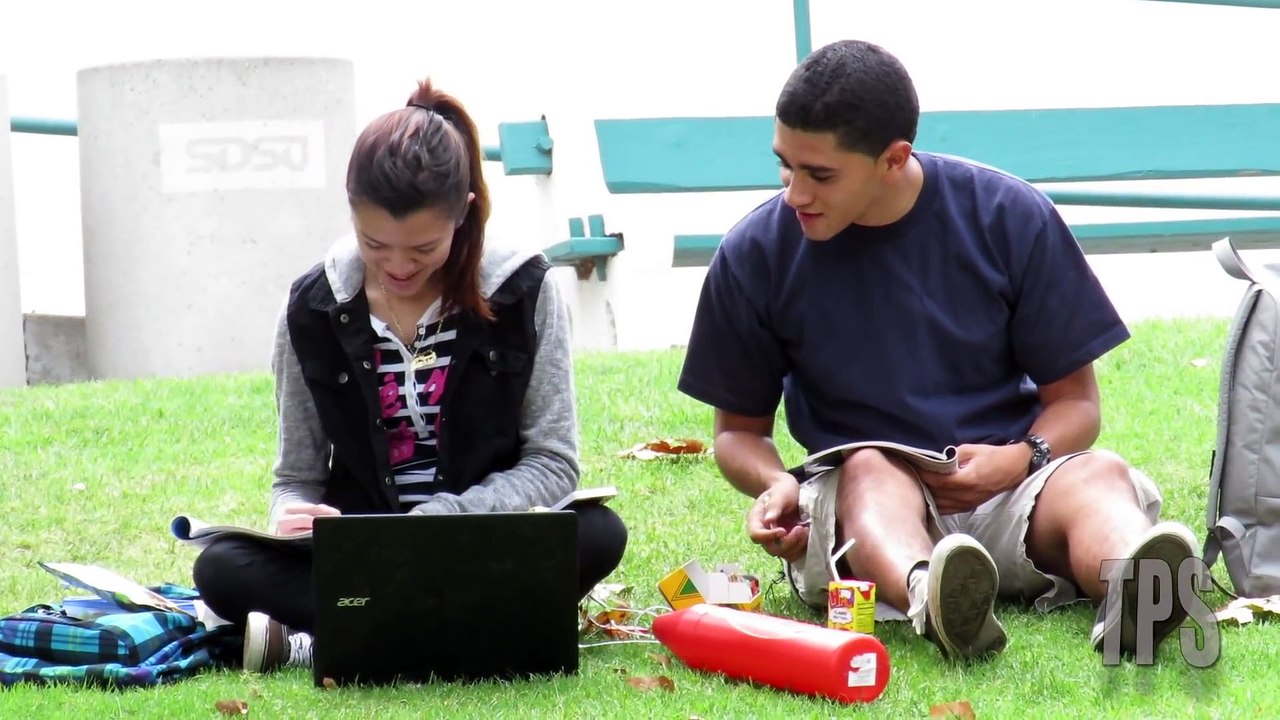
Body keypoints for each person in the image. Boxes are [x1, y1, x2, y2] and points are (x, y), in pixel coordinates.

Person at [676, 39, 1202, 662]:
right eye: (785, 166)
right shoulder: (755, 252)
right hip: (867, 509)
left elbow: (1077, 405)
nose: (795, 194)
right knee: (871, 468)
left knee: (1098, 474)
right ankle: (936, 597)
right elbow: (738, 433)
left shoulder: (1008, 216)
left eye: (820, 174)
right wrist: (773, 484)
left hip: (1010, 490)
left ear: (893, 159)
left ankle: (1137, 591)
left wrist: (1020, 459)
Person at [192, 78, 628, 673]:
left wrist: (446, 518)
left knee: (598, 532)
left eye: (423, 249)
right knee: (220, 567)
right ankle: (473, 627)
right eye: (376, 245)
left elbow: (553, 464)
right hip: (364, 551)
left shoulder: (524, 290)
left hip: (481, 535)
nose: (399, 266)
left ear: (464, 213)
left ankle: (346, 634)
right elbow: (295, 475)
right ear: (350, 209)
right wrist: (291, 514)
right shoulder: (311, 307)